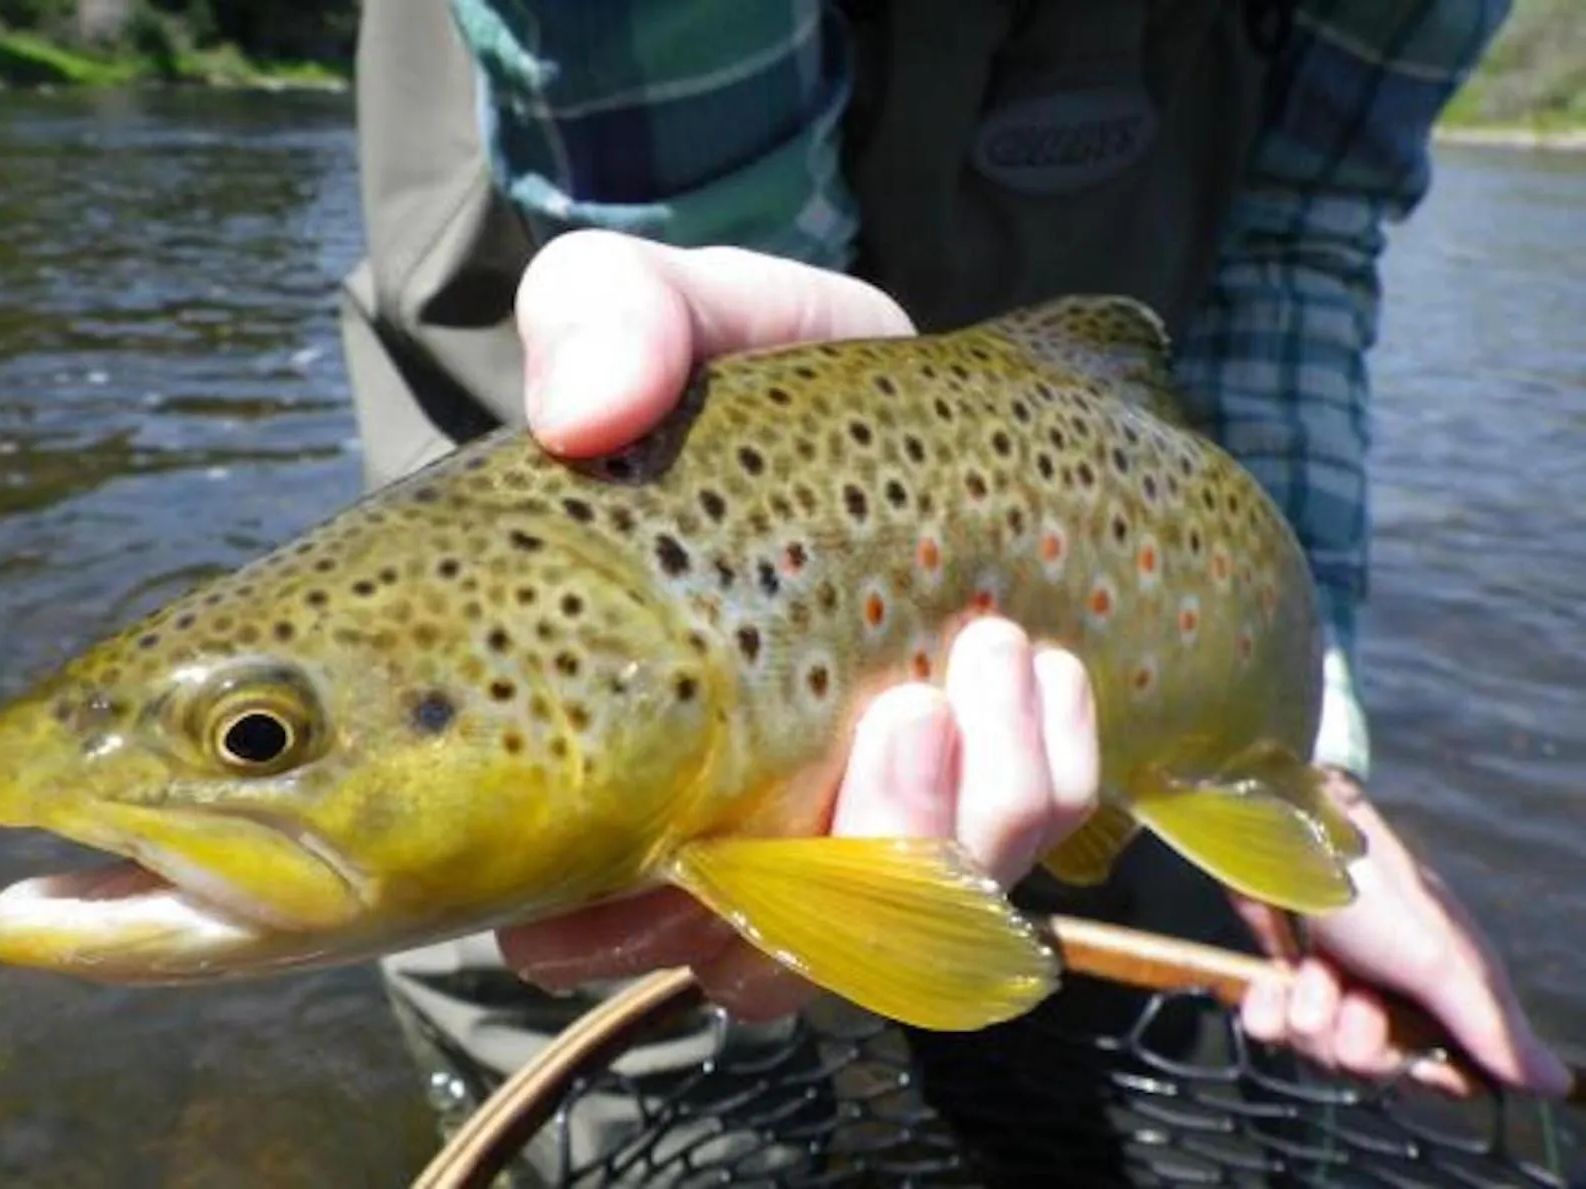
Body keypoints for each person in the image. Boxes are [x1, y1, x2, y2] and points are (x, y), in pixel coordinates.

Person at [336, 0, 1572, 1180]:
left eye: (256, 738)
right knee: (626, 1013)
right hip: (633, 306)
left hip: (1086, 509)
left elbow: (1293, 247)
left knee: (1083, 969)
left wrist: (1309, 765)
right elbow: (712, 344)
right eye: (259, 738)